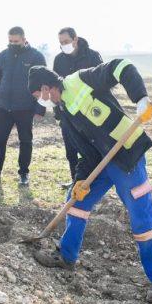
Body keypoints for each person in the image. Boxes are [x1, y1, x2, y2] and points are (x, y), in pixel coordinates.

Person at [26, 60, 152, 303]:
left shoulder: (81, 80)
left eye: (38, 95)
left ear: (46, 88)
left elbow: (121, 66)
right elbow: (84, 152)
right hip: (102, 161)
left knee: (141, 217)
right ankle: (66, 256)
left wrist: (140, 98)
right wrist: (80, 180)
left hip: (126, 156)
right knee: (76, 202)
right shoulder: (63, 113)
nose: (40, 101)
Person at [0, 26, 46, 186]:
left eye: (16, 41)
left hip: (25, 108)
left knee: (25, 141)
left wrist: (40, 108)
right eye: (10, 41)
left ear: (24, 39)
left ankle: (24, 173)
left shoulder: (36, 56)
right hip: (4, 107)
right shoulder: (2, 56)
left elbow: (43, 84)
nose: (12, 44)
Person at [52, 27, 103, 186]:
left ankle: (93, 181)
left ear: (75, 39)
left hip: (89, 111)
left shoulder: (92, 56)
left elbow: (102, 81)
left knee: (90, 149)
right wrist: (58, 113)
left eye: (66, 41)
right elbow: (55, 86)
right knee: (71, 150)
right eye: (61, 43)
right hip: (67, 112)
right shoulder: (59, 60)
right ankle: (76, 181)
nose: (64, 45)